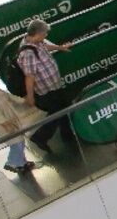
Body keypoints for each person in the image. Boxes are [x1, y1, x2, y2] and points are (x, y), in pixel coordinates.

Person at [17, 20, 75, 152]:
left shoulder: (35, 42)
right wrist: (30, 96)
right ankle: (40, 137)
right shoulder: (28, 53)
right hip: (47, 90)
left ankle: (67, 135)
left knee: (64, 107)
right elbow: (29, 76)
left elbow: (45, 46)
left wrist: (60, 47)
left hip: (54, 85)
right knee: (56, 113)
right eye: (45, 33)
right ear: (37, 33)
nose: (46, 35)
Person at [0, 67, 37, 173]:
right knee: (16, 142)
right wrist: (5, 123)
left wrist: (23, 101)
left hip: (11, 120)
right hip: (4, 126)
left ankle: (22, 162)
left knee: (19, 141)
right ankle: (12, 163)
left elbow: (9, 96)